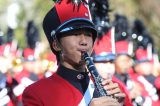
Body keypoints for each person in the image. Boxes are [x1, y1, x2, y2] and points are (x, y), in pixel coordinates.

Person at [22, 0, 125, 106]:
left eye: (89, 35)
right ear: (56, 44)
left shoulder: (111, 87)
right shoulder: (36, 93)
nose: (84, 41)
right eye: (75, 34)